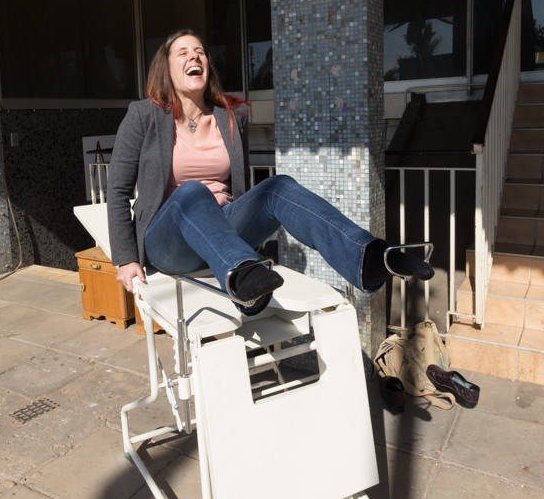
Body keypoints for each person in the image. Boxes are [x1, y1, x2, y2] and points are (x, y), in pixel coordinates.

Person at [107, 28, 433, 314]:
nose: (194, 57)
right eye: (183, 52)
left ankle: (368, 258)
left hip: (224, 227)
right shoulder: (144, 116)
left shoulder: (230, 117)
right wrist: (126, 259)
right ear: (167, 67)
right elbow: (118, 191)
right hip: (171, 241)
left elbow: (241, 188)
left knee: (277, 186)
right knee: (193, 190)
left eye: (200, 52)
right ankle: (243, 275)